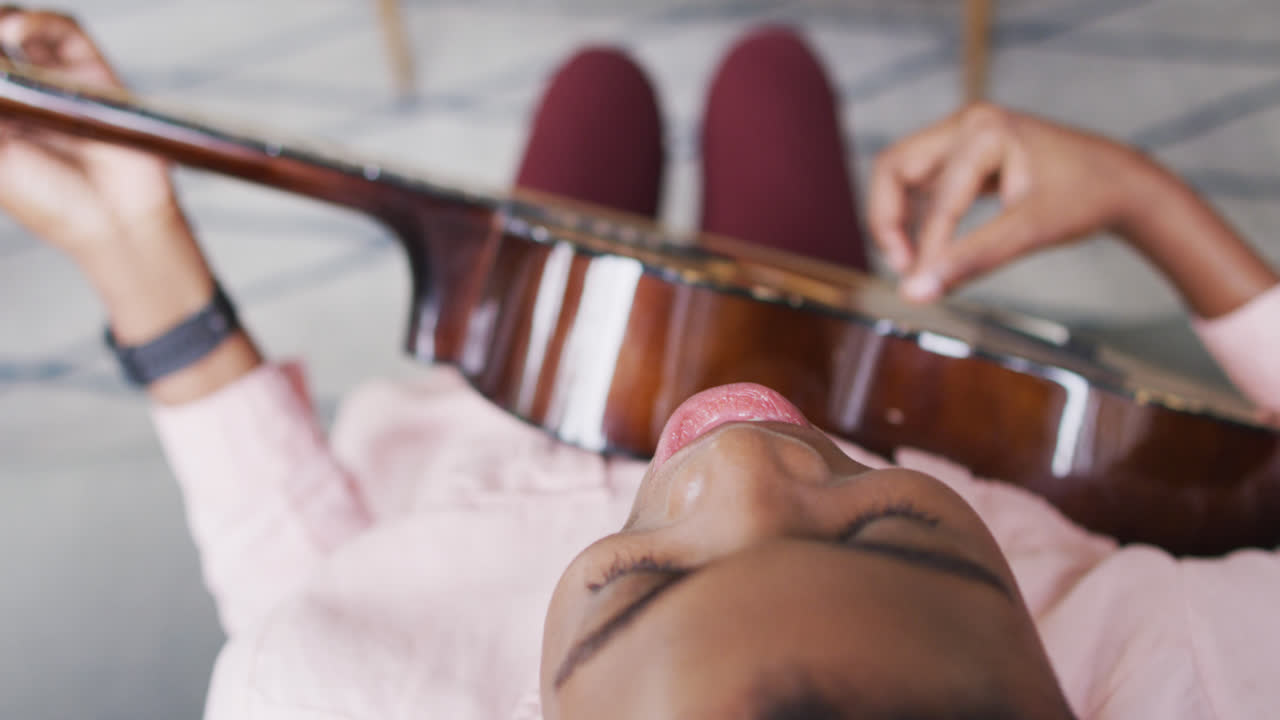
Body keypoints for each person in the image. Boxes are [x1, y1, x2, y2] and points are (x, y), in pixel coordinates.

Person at [3, 7, 1279, 720]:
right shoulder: (1190, 682)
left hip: (505, 398)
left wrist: (133, 247)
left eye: (632, 586)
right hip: (848, 374)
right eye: (894, 535)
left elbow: (297, 597)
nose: (728, 450)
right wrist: (1148, 204)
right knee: (771, 69)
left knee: (592, 85)